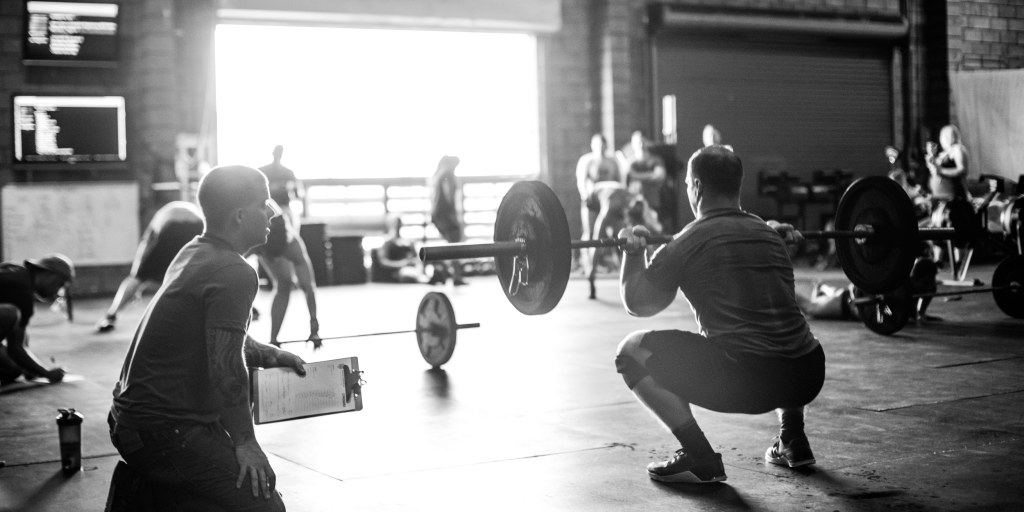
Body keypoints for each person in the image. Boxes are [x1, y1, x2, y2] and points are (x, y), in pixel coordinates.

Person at [615, 145, 825, 483]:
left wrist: (632, 252)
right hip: (808, 374)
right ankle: (793, 438)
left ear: (696, 187)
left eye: (687, 185)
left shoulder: (686, 242)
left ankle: (698, 454)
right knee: (777, 326)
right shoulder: (771, 235)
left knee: (630, 352)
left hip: (745, 381)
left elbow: (639, 305)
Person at [108, 165, 307, 511]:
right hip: (163, 434)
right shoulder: (235, 272)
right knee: (264, 503)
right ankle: (149, 495)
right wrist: (246, 442)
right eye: (264, 204)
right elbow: (226, 367)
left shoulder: (194, 250)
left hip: (131, 422)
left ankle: (157, 493)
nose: (272, 213)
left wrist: (269, 355)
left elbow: (212, 338)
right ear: (241, 216)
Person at [95, 202, 205, 332]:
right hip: (198, 226)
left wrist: (135, 275)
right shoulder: (177, 211)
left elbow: (144, 247)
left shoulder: (157, 223)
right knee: (184, 276)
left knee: (138, 278)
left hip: (173, 225)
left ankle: (111, 315)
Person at [255, 145, 322, 347]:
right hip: (276, 225)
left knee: (287, 285)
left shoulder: (271, 172)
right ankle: (275, 338)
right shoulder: (273, 173)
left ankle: (276, 338)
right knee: (290, 284)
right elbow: (297, 194)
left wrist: (314, 327)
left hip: (277, 225)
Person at [0, 254, 74, 385]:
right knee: (10, 314)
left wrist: (33, 369)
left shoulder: (17, 272)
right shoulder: (22, 289)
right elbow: (15, 348)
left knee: (13, 369)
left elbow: (18, 340)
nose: (58, 291)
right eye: (60, 284)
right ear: (48, 274)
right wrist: (46, 373)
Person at [428, 155, 466, 286]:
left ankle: (451, 273)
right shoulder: (448, 175)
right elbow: (449, 196)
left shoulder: (438, 176)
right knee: (454, 246)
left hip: (439, 214)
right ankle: (456, 275)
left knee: (451, 244)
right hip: (446, 215)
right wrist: (455, 217)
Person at [618, 131, 667, 228]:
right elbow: (624, 183)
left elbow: (660, 175)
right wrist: (650, 176)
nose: (640, 145)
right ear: (632, 144)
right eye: (637, 142)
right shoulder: (630, 163)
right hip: (634, 205)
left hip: (652, 202)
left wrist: (636, 175)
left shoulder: (655, 160)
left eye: (642, 141)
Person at [371, 215, 428, 284]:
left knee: (417, 267)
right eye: (395, 223)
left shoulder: (408, 241)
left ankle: (424, 277)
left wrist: (414, 261)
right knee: (405, 272)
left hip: (413, 268)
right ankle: (423, 279)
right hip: (397, 272)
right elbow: (383, 261)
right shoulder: (387, 242)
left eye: (399, 223)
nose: (398, 225)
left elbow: (416, 257)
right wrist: (401, 264)